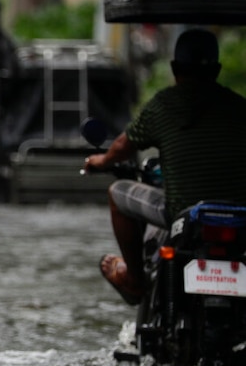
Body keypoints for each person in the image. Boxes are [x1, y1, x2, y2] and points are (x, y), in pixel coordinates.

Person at [84, 28, 246, 305]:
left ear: (174, 68)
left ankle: (135, 281)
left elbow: (124, 145)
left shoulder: (164, 105)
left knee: (117, 192)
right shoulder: (239, 107)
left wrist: (100, 160)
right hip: (240, 216)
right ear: (217, 69)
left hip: (183, 213)